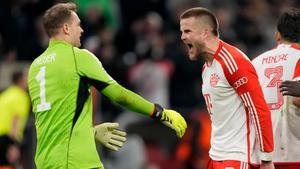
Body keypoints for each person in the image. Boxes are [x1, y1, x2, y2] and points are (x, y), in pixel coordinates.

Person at [27, 2, 187, 169]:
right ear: (66, 28)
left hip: (45, 162)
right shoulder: (78, 57)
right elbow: (120, 95)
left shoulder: (35, 66)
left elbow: (55, 119)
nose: (82, 30)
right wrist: (159, 112)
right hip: (77, 162)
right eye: (78, 25)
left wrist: (91, 133)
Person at [179, 7, 274, 169]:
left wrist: (266, 158)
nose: (182, 37)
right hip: (216, 155)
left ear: (204, 33)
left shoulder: (233, 62)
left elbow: (259, 109)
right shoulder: (207, 67)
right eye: (182, 32)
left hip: (237, 157)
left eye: (187, 31)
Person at [252, 8, 300, 169]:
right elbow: (297, 99)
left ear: (277, 35)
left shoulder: (255, 62)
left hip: (261, 154)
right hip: (294, 152)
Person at [0, 71, 31, 169]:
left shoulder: (5, 94)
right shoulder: (21, 96)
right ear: (21, 81)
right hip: (7, 138)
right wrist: (14, 145)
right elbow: (15, 121)